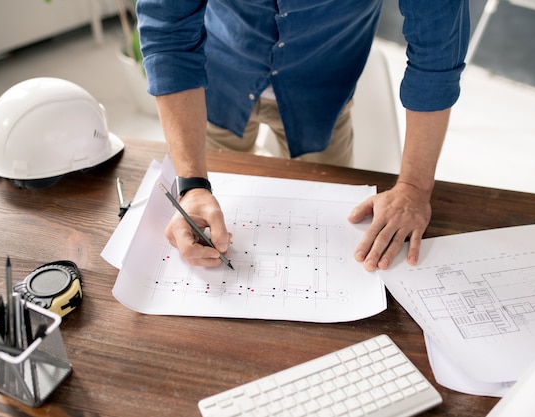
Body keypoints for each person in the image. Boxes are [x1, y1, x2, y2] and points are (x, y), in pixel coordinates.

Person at [136, 0, 470, 271]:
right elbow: (169, 35)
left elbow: (437, 57)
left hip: (322, 93)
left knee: (337, 230)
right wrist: (192, 186)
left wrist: (414, 187)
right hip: (215, 86)